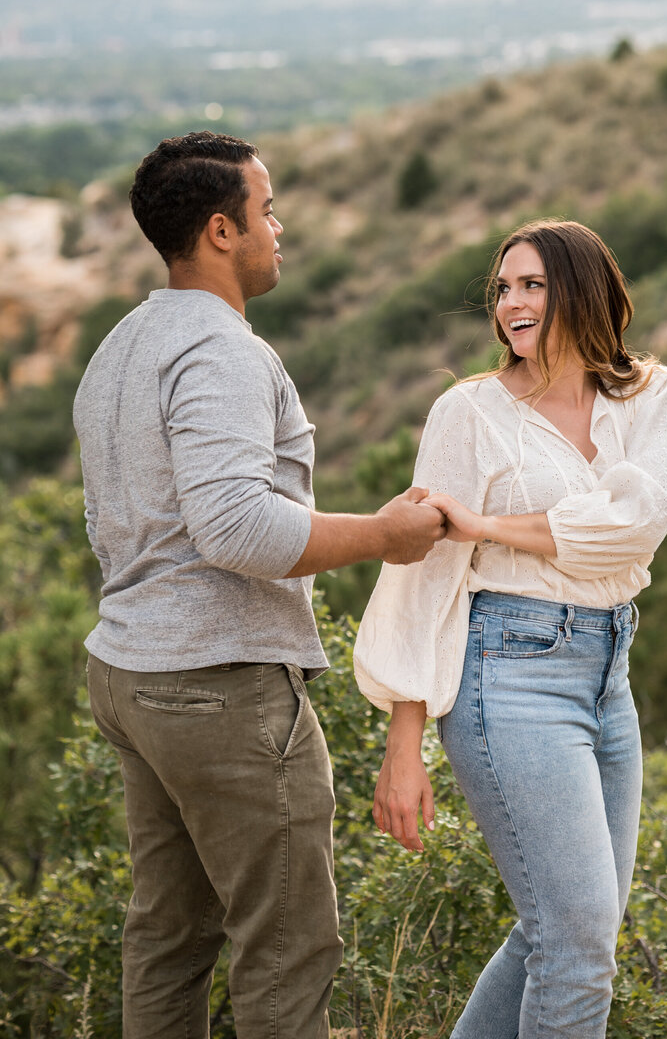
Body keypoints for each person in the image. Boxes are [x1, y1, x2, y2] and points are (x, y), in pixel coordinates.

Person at [73, 130, 445, 1039]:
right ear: (219, 231)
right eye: (266, 210)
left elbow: (109, 521)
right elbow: (238, 527)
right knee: (284, 954)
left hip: (130, 674)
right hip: (220, 688)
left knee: (167, 940)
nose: (281, 227)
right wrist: (387, 535)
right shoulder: (222, 351)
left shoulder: (122, 346)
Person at [354, 219, 667, 1038]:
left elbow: (636, 526)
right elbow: (422, 576)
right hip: (508, 669)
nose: (511, 302)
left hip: (611, 672)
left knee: (574, 932)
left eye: (532, 284)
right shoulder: (467, 412)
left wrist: (489, 526)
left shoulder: (650, 395)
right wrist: (406, 744)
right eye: (503, 287)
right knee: (576, 946)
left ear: (581, 288)